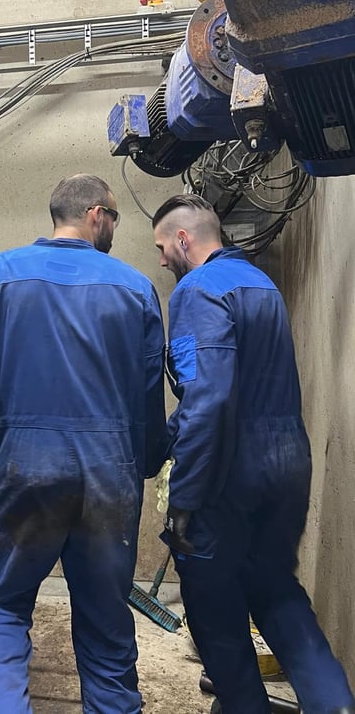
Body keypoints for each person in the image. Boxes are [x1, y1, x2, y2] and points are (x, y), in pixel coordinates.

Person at [0, 173, 168, 714]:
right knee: (106, 624)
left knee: (2, 608)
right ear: (96, 215)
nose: (113, 229)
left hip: (22, 470)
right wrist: (144, 463)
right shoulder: (136, 288)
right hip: (108, 479)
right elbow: (147, 401)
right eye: (114, 219)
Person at [152, 193, 355, 714]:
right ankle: (333, 704)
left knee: (213, 608)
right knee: (275, 590)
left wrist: (184, 498)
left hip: (228, 472)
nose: (161, 261)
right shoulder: (262, 285)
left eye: (161, 248)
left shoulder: (197, 291)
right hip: (288, 463)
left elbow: (210, 399)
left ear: (183, 240)